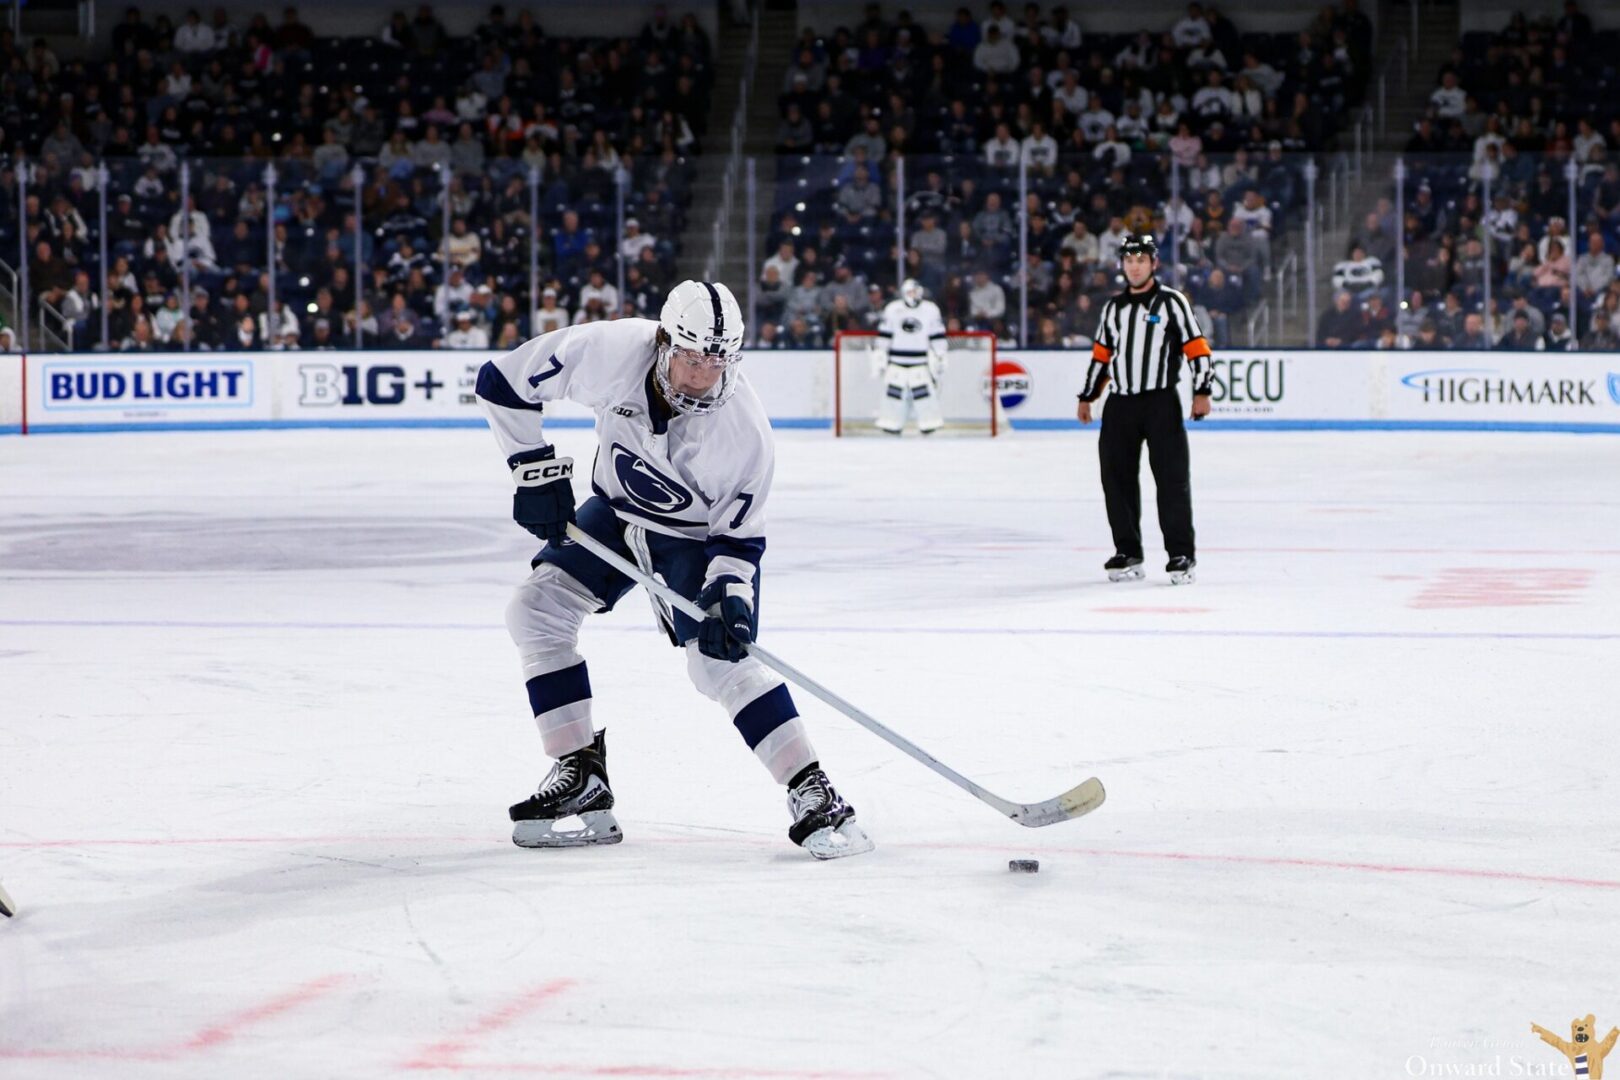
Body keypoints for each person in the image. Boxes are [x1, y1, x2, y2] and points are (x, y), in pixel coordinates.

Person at [474, 280, 871, 860]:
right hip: (613, 513)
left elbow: (739, 538)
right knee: (535, 611)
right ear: (664, 341)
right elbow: (501, 381)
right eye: (689, 357)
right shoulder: (611, 351)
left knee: (719, 663)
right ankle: (580, 776)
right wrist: (531, 467)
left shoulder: (745, 432)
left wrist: (729, 595)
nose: (702, 375)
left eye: (718, 360)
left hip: (693, 541)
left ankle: (812, 789)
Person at [1075, 234, 1212, 585]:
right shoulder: (1113, 309)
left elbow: (1197, 348)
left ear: (1153, 263)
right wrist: (1088, 396)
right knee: (1116, 478)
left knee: (1171, 479)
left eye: (1141, 260)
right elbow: (1102, 357)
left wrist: (1202, 390)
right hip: (1120, 404)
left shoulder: (1171, 302)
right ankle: (1128, 551)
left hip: (1160, 402)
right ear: (1122, 265)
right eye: (1129, 260)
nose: (1134, 266)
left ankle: (1181, 554)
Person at [871, 278, 948, 435]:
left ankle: (929, 423)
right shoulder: (893, 309)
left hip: (920, 361)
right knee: (893, 393)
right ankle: (891, 423)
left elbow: (937, 335)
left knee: (923, 394)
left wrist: (940, 354)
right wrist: (880, 353)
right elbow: (885, 334)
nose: (913, 295)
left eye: (915, 292)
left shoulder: (930, 309)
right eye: (910, 292)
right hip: (896, 361)